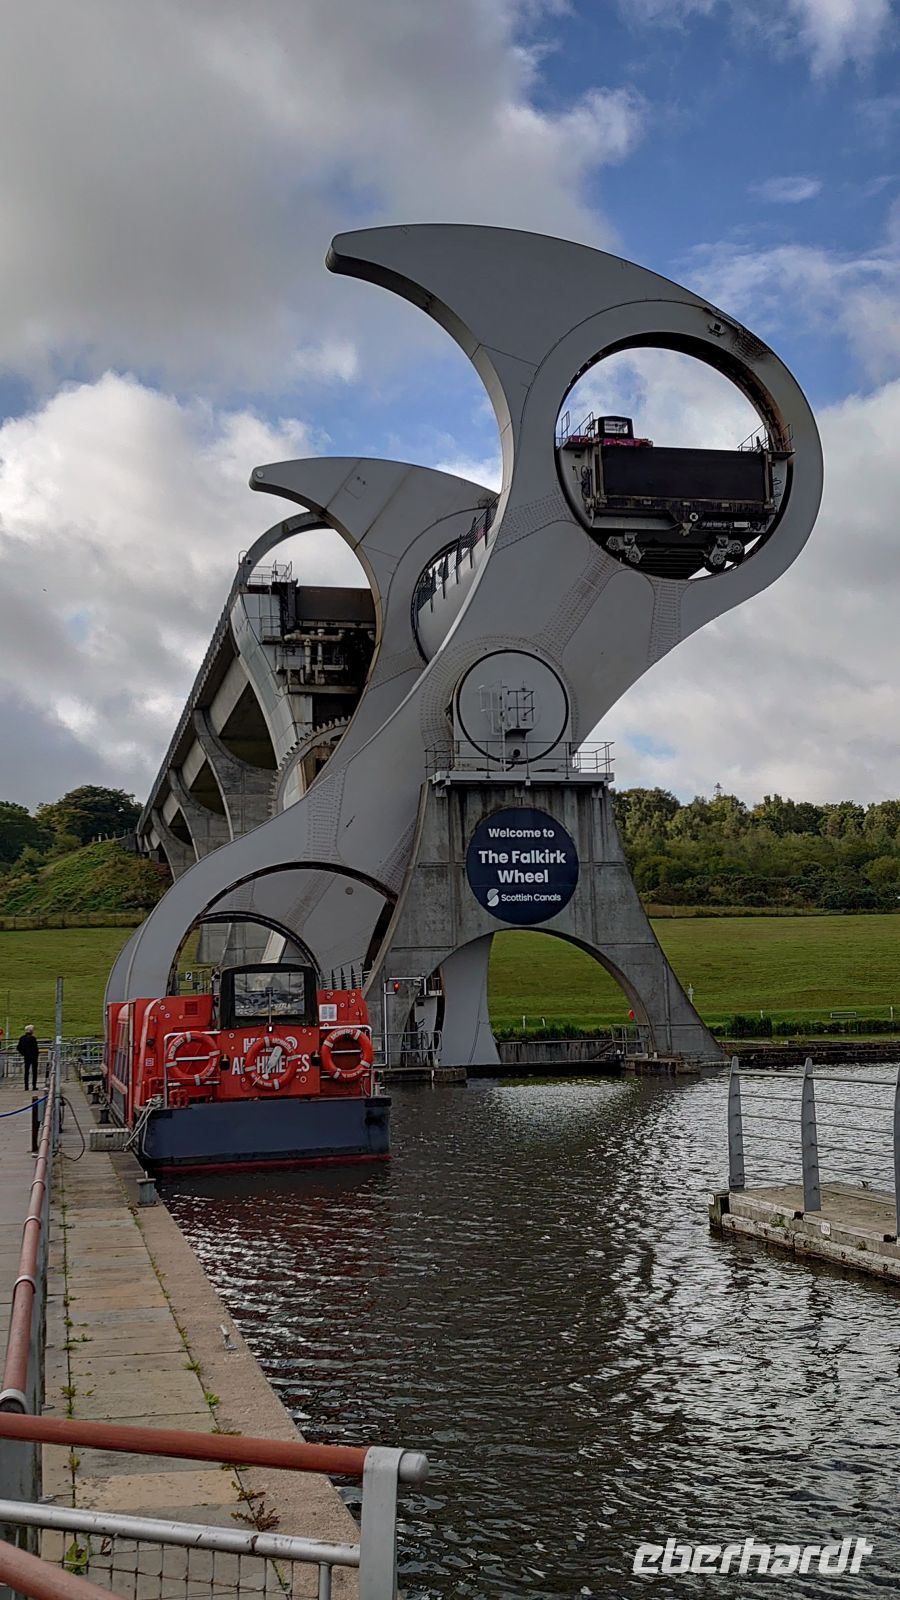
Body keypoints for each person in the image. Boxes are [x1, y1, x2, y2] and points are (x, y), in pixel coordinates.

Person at [16, 1025, 39, 1092]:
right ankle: (34, 1086)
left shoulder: (22, 1038)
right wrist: (36, 1054)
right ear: (31, 1031)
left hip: (26, 1057)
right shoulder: (33, 1038)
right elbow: (35, 1048)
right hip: (34, 1057)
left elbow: (18, 1047)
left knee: (26, 1072)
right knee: (34, 1072)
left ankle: (26, 1086)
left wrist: (23, 1053)